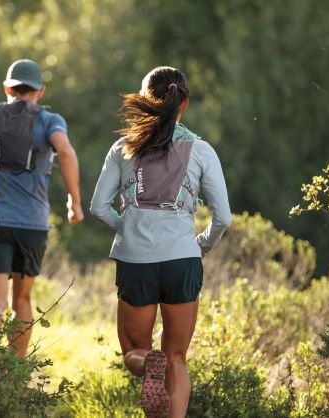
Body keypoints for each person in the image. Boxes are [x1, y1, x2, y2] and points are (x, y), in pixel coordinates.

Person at [90, 66, 231, 418]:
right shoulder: (201, 150)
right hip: (183, 260)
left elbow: (98, 206)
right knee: (177, 358)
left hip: (136, 261)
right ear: (183, 103)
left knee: (135, 352)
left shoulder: (124, 147)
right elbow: (223, 217)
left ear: (145, 101)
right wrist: (202, 245)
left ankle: (147, 363)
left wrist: (127, 227)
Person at [0, 58, 84, 356]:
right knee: (22, 300)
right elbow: (65, 151)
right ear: (41, 91)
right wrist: (74, 200)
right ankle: (16, 376)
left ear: (7, 87)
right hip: (33, 226)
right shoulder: (50, 121)